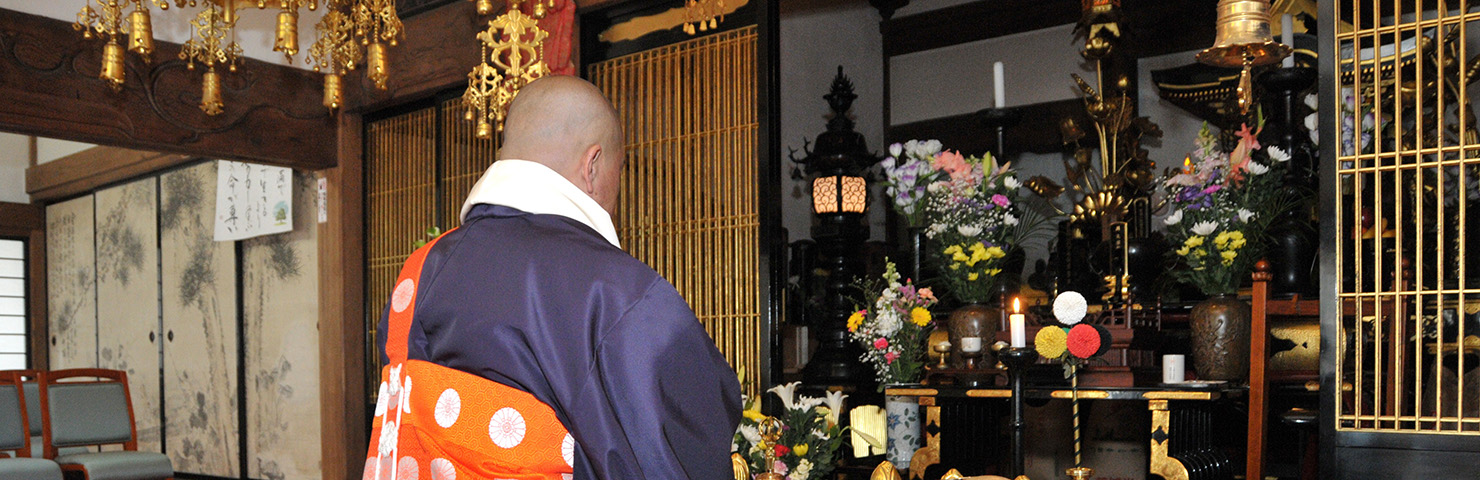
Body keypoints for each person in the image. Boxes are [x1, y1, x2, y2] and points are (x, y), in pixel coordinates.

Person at [365, 76, 742, 480]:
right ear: (592, 164)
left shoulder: (419, 272)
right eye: (620, 171)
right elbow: (683, 446)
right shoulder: (613, 291)